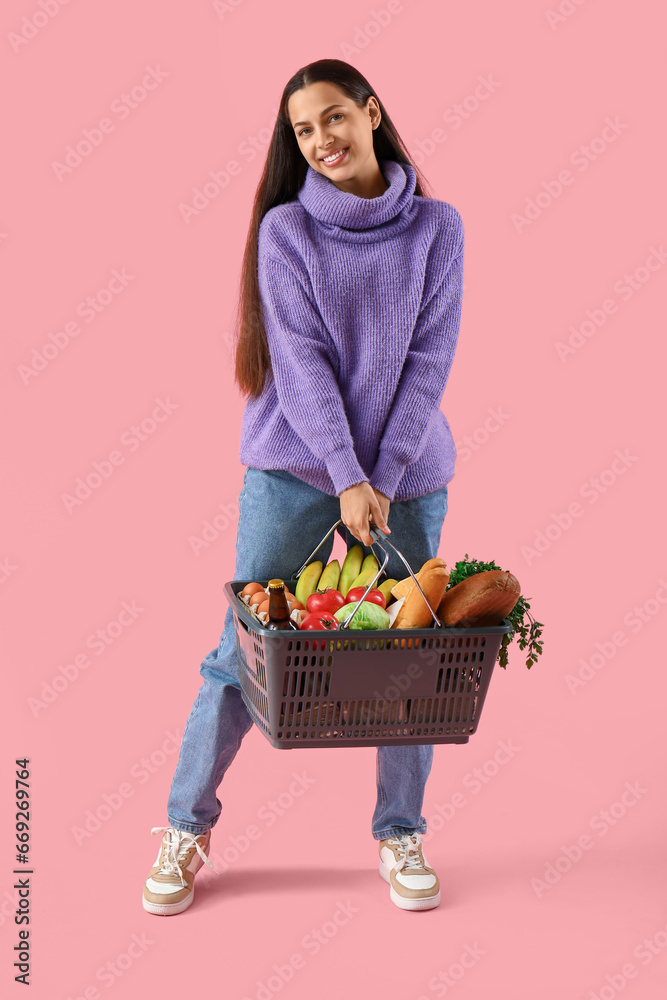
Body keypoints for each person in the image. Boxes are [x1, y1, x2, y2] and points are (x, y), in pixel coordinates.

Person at [143, 57, 464, 916]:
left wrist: (383, 479)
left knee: (413, 658)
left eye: (332, 118)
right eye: (302, 130)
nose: (320, 140)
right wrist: (346, 477)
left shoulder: (438, 228)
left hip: (407, 476)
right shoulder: (287, 232)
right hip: (295, 466)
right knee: (241, 651)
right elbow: (301, 365)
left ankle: (401, 830)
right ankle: (185, 823)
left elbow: (428, 363)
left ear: (370, 112)